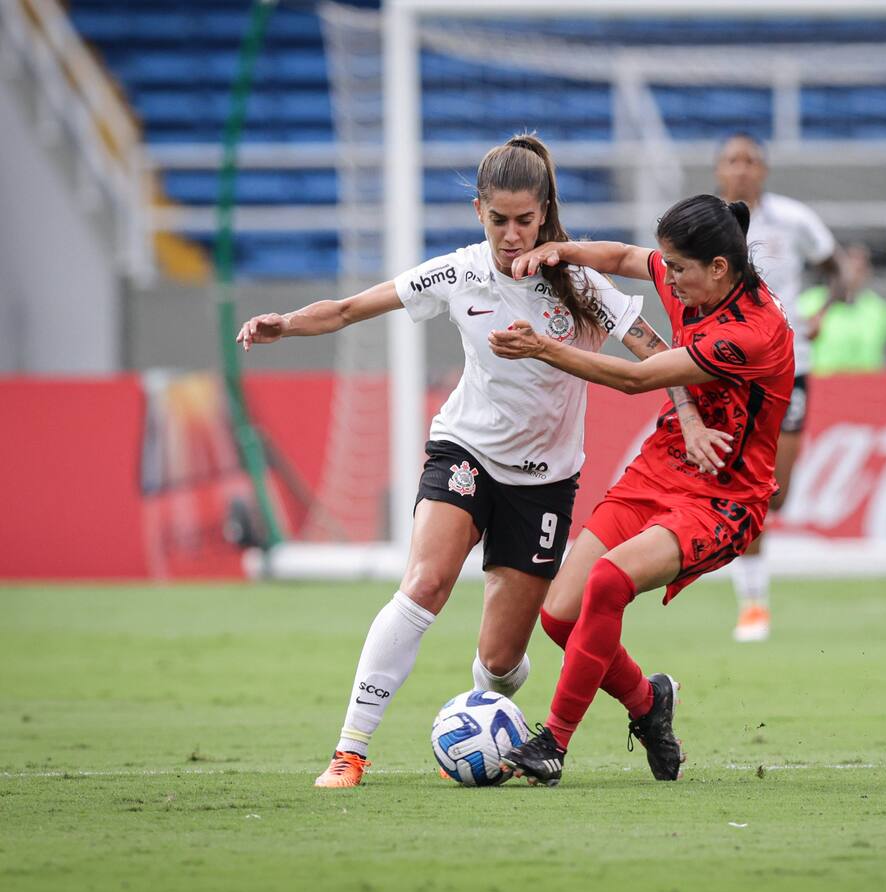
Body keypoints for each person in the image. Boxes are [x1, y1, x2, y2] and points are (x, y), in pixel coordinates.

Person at [234, 134, 723, 789]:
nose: (512, 235)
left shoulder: (580, 283)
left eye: (526, 220)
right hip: (464, 451)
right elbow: (354, 308)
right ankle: (350, 750)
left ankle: (492, 710)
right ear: (478, 212)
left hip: (544, 483)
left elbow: (654, 351)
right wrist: (286, 323)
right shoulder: (459, 272)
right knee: (426, 584)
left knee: (499, 661)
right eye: (499, 221)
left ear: (545, 212)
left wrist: (689, 418)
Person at [488, 193, 795, 785]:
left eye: (678, 270)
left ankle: (552, 743)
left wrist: (543, 348)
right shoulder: (694, 277)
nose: (668, 279)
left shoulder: (753, 334)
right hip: (661, 467)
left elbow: (634, 378)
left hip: (723, 499)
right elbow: (628, 256)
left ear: (719, 269)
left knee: (607, 581)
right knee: (559, 618)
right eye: (670, 266)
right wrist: (562, 248)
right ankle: (648, 705)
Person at [715, 132, 849, 643]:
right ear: (719, 171)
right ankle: (753, 605)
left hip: (791, 365)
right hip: (731, 367)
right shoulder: (708, 224)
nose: (742, 168)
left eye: (750, 160)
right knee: (745, 484)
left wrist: (824, 311)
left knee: (777, 493)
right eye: (732, 160)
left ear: (763, 170)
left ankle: (747, 581)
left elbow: (837, 267)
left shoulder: (793, 220)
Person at [800, 244, 886, 375]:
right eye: (848, 268)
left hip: (867, 386)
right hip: (823, 385)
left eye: (859, 269)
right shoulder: (808, 304)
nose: (852, 275)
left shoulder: (880, 310)